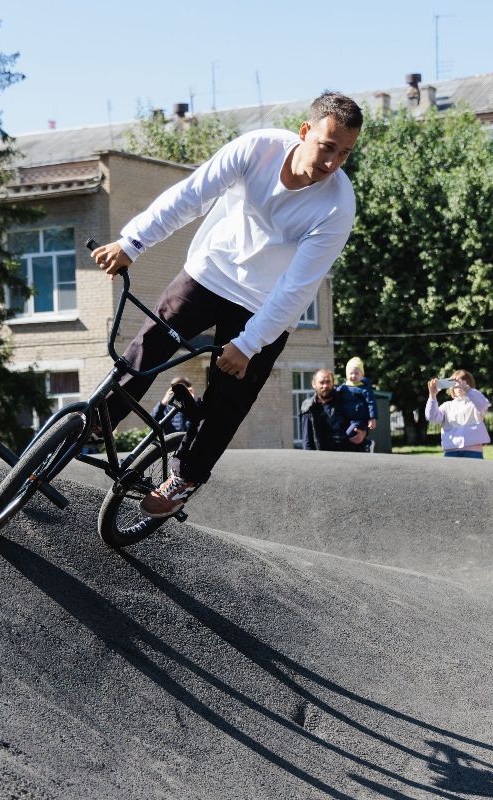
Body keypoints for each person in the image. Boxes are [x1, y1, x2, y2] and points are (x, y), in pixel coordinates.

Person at [89, 92, 362, 517]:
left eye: (344, 153)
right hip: (209, 273)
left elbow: (298, 288)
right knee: (150, 345)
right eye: (327, 147)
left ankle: (186, 476)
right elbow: (191, 195)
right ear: (305, 132)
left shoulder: (337, 205)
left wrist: (249, 344)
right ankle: (93, 424)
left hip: (264, 306)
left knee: (229, 396)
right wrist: (133, 242)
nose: (332, 163)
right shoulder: (258, 148)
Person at [300, 369, 371, 452]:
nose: (325, 386)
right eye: (321, 382)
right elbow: (307, 442)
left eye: (328, 382)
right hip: (323, 460)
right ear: (314, 384)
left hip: (350, 456)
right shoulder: (309, 407)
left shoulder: (346, 399)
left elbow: (363, 416)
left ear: (333, 383)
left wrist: (364, 432)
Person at [425, 369, 490, 459]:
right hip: (451, 451)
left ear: (469, 384)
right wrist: (432, 396)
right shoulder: (447, 406)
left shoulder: (474, 403)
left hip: (473, 451)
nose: (458, 386)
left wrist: (467, 389)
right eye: (455, 384)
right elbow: (432, 417)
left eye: (461, 383)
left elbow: (483, 404)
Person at [340, 356, 378, 432]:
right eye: (351, 373)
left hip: (360, 420)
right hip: (347, 419)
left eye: (356, 373)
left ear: (362, 375)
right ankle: (365, 443)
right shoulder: (344, 387)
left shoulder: (364, 388)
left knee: (349, 434)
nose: (353, 376)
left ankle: (368, 443)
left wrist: (372, 418)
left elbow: (371, 403)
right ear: (347, 375)